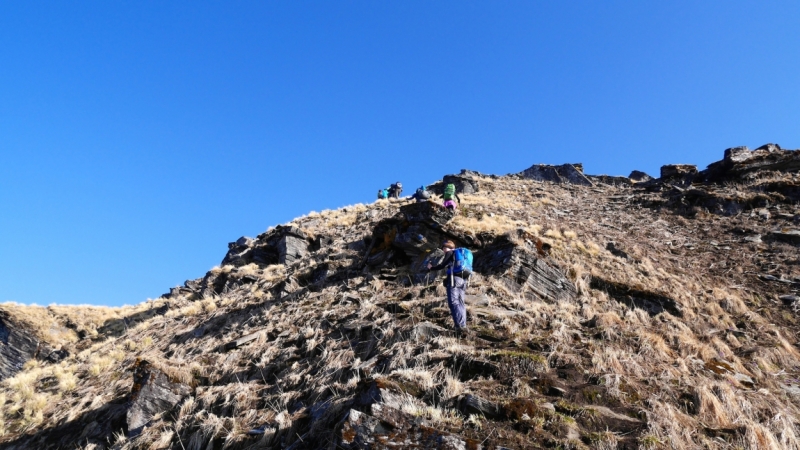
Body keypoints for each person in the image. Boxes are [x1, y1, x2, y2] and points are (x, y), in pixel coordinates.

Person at [424, 240, 471, 336]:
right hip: (463, 281)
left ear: (446, 247)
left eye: (443, 248)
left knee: (453, 302)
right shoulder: (460, 255)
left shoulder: (450, 252)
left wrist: (431, 268)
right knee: (461, 303)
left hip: (454, 280)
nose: (443, 250)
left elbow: (442, 265)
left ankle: (459, 326)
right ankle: (463, 325)